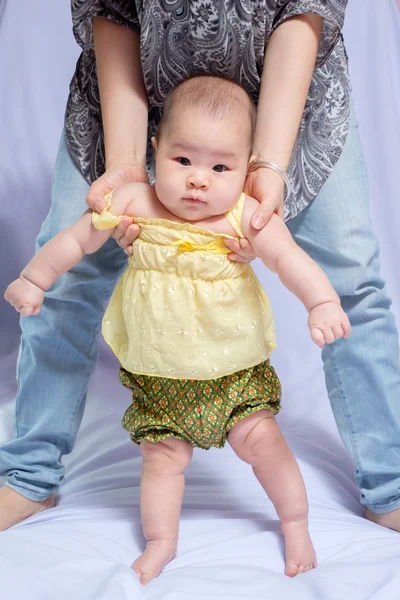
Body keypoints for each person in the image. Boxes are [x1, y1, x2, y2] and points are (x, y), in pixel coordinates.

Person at [1, 0, 400, 535]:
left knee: (350, 284)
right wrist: (124, 162)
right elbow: (112, 10)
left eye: (214, 171)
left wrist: (266, 164)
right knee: (67, 285)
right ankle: (28, 474)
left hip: (287, 97)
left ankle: (391, 484)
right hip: (136, 101)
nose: (199, 181)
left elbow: (304, 11)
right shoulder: (154, 153)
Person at [5, 75, 352, 582]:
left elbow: (290, 260)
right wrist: (33, 279)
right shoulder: (131, 201)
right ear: (155, 150)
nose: (198, 179)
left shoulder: (246, 216)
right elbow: (74, 243)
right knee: (162, 462)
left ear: (246, 166)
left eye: (219, 166)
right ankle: (161, 541)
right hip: (159, 376)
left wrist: (321, 301)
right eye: (182, 160)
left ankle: (296, 522)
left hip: (232, 373)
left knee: (263, 445)